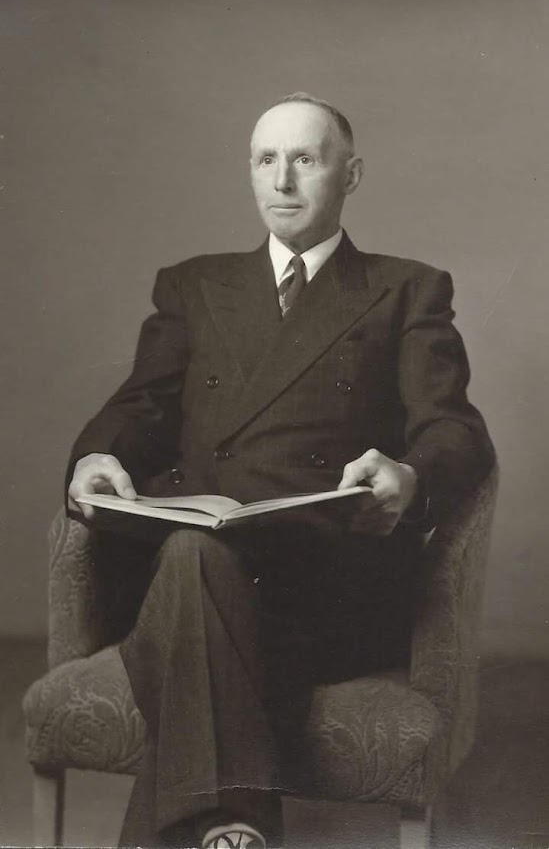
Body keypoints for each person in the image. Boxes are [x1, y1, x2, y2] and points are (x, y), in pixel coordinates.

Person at [67, 93, 495, 849]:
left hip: (322, 587)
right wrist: (98, 455)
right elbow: (138, 407)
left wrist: (408, 476)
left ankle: (217, 824)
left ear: (349, 175)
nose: (282, 180)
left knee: (189, 574)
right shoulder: (194, 285)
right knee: (192, 554)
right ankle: (233, 826)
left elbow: (454, 430)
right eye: (266, 159)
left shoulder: (405, 289)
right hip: (186, 566)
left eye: (305, 159)